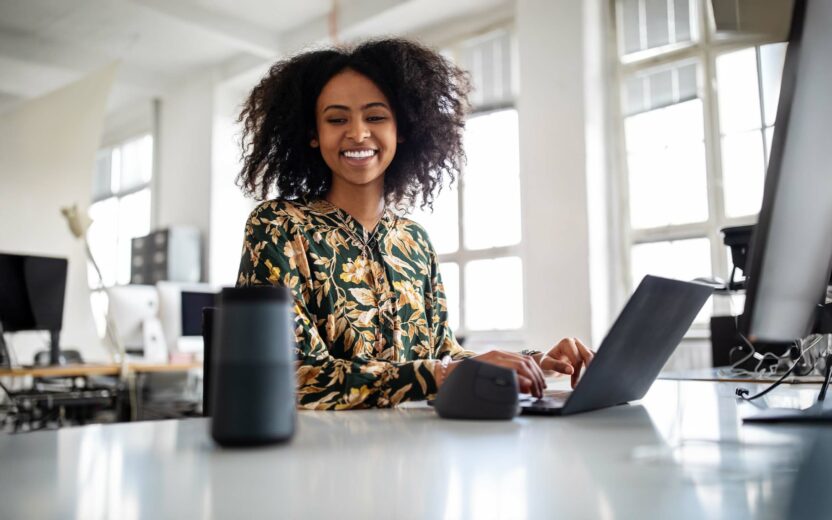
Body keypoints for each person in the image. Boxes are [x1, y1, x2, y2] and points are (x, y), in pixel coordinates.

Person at [235, 38, 594, 410]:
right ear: (312, 133)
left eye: (375, 117)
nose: (357, 133)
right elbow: (288, 374)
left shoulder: (414, 242)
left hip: (415, 451)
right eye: (337, 119)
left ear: (402, 129)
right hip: (317, 455)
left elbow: (443, 354)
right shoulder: (278, 226)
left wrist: (532, 363)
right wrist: (437, 374)